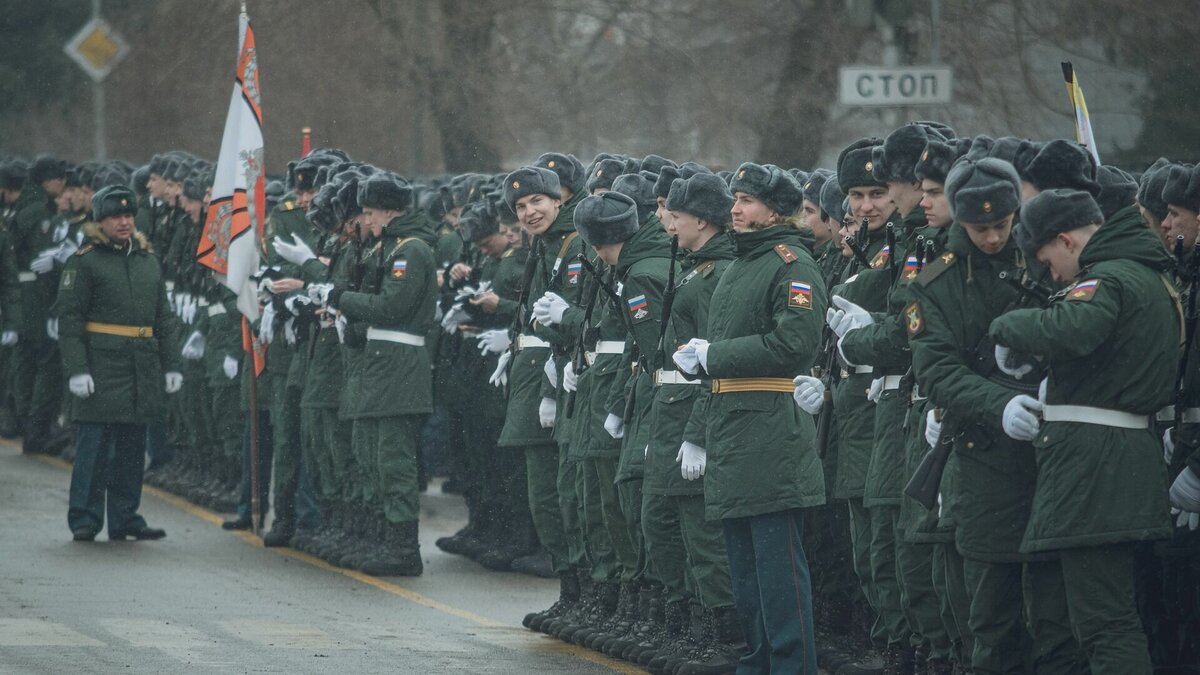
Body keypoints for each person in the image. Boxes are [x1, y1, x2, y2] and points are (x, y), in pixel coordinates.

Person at [906, 158, 1083, 674]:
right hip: (982, 455)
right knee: (992, 616)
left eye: (1001, 226)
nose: (991, 237)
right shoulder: (935, 285)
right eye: (979, 228)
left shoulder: (1046, 260)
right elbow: (935, 369)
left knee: (1057, 616)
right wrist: (997, 404)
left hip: (1056, 454)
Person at [990, 188, 1178, 674]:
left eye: (1046, 259)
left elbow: (1072, 329)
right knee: (1070, 618)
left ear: (1067, 241)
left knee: (1105, 623)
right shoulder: (1138, 274)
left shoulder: (1109, 279)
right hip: (1102, 467)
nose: (1048, 273)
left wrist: (1006, 327)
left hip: (1095, 472)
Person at [673, 161, 827, 674]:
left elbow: (796, 342)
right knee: (746, 571)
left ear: (777, 211)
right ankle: (759, 660)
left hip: (771, 429)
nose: (735, 209)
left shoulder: (791, 264)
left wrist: (715, 355)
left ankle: (790, 664)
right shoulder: (742, 265)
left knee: (777, 568)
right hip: (736, 428)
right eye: (734, 199)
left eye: (747, 201)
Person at [57, 185, 181, 541]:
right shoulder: (85, 261)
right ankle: (85, 517)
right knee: (94, 448)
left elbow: (164, 318)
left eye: (128, 216)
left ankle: (126, 516)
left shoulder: (146, 260)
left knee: (130, 447)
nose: (125, 222)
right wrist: (77, 369)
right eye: (116, 216)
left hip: (140, 365)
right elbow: (70, 320)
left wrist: (171, 364)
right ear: (101, 220)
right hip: (101, 364)